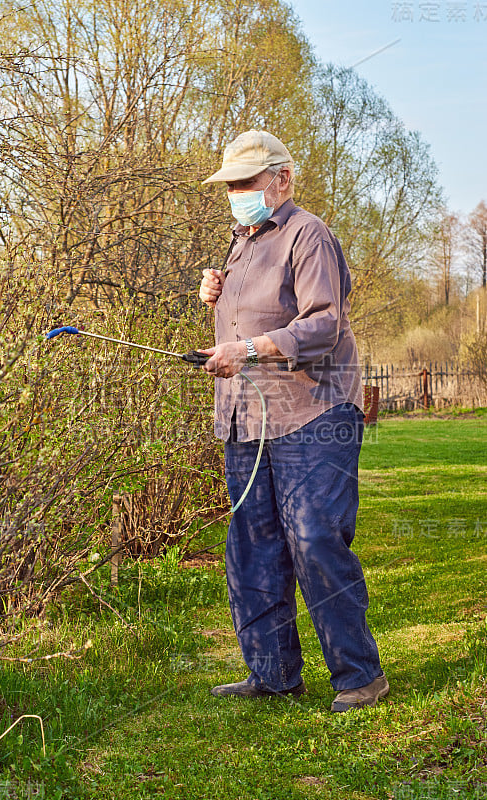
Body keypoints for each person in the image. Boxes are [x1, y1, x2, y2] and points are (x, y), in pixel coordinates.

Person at [197, 130, 388, 712]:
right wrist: (215, 300)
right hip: (246, 418)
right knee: (253, 545)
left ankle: (360, 676)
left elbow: (323, 324)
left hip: (312, 412)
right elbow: (252, 316)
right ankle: (272, 673)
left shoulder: (309, 236)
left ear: (283, 178)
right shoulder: (240, 242)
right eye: (230, 185)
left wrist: (249, 349)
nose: (236, 193)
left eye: (246, 183)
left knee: (314, 538)